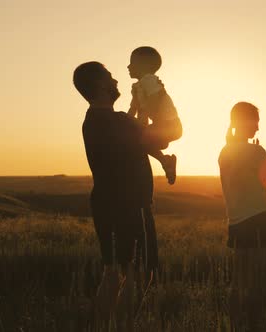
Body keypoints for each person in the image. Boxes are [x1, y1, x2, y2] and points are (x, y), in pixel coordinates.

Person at [73, 61, 159, 330]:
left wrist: (135, 111)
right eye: (110, 77)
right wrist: (155, 101)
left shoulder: (94, 120)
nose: (116, 81)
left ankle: (100, 325)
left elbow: (130, 135)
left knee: (114, 274)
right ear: (101, 85)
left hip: (105, 204)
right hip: (131, 206)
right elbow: (160, 136)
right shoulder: (116, 121)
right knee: (137, 274)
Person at [218, 101, 266, 329]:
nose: (258, 128)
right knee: (258, 282)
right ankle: (254, 325)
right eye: (256, 122)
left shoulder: (225, 151)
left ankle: (235, 325)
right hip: (259, 221)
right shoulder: (255, 151)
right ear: (245, 121)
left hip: (236, 223)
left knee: (239, 282)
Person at [127, 46, 183, 184]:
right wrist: (127, 122)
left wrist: (142, 121)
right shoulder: (137, 87)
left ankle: (165, 159)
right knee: (139, 141)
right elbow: (134, 108)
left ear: (143, 65)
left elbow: (155, 98)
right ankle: (166, 161)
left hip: (170, 125)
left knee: (139, 141)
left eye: (132, 62)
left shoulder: (149, 80)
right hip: (161, 126)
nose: (128, 66)